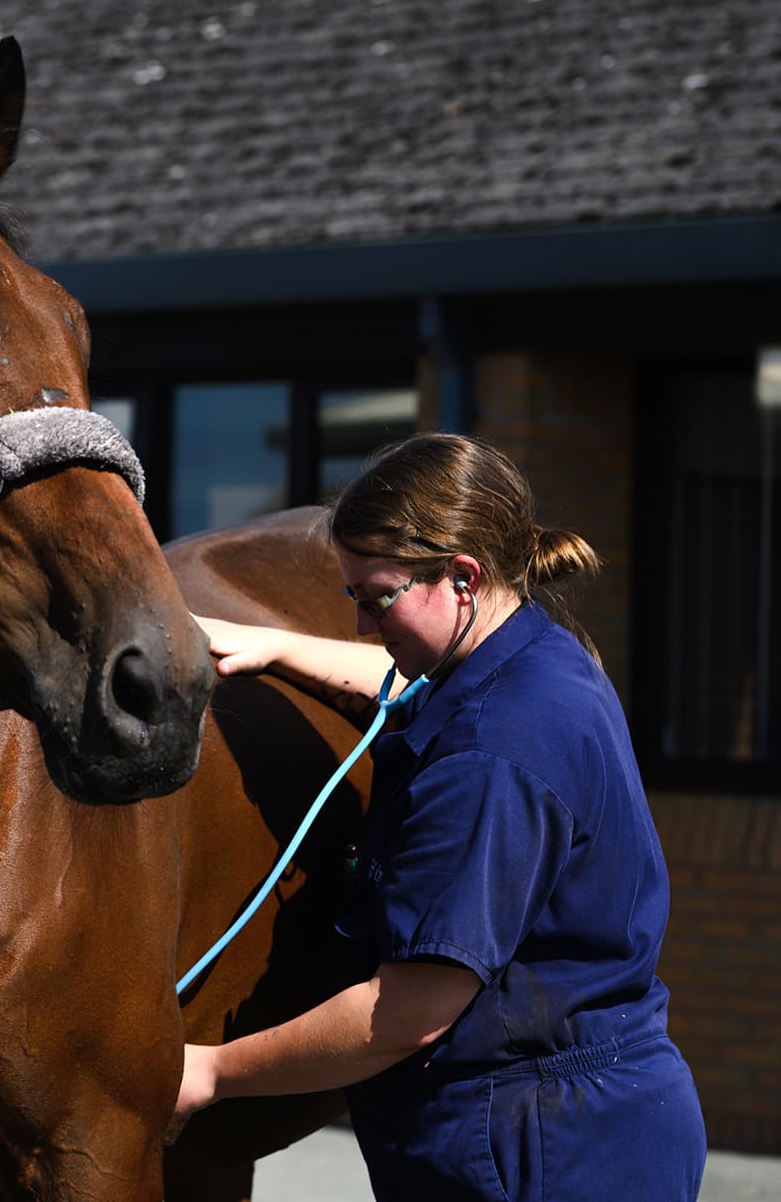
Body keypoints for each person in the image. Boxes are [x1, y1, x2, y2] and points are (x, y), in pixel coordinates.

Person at [175, 433, 705, 1201]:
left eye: (373, 597)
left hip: (537, 1146)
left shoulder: (492, 758)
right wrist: (277, 647)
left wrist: (212, 1071)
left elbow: (407, 1013)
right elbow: (404, 683)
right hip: (595, 1119)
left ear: (463, 576)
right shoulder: (540, 659)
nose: (360, 626)